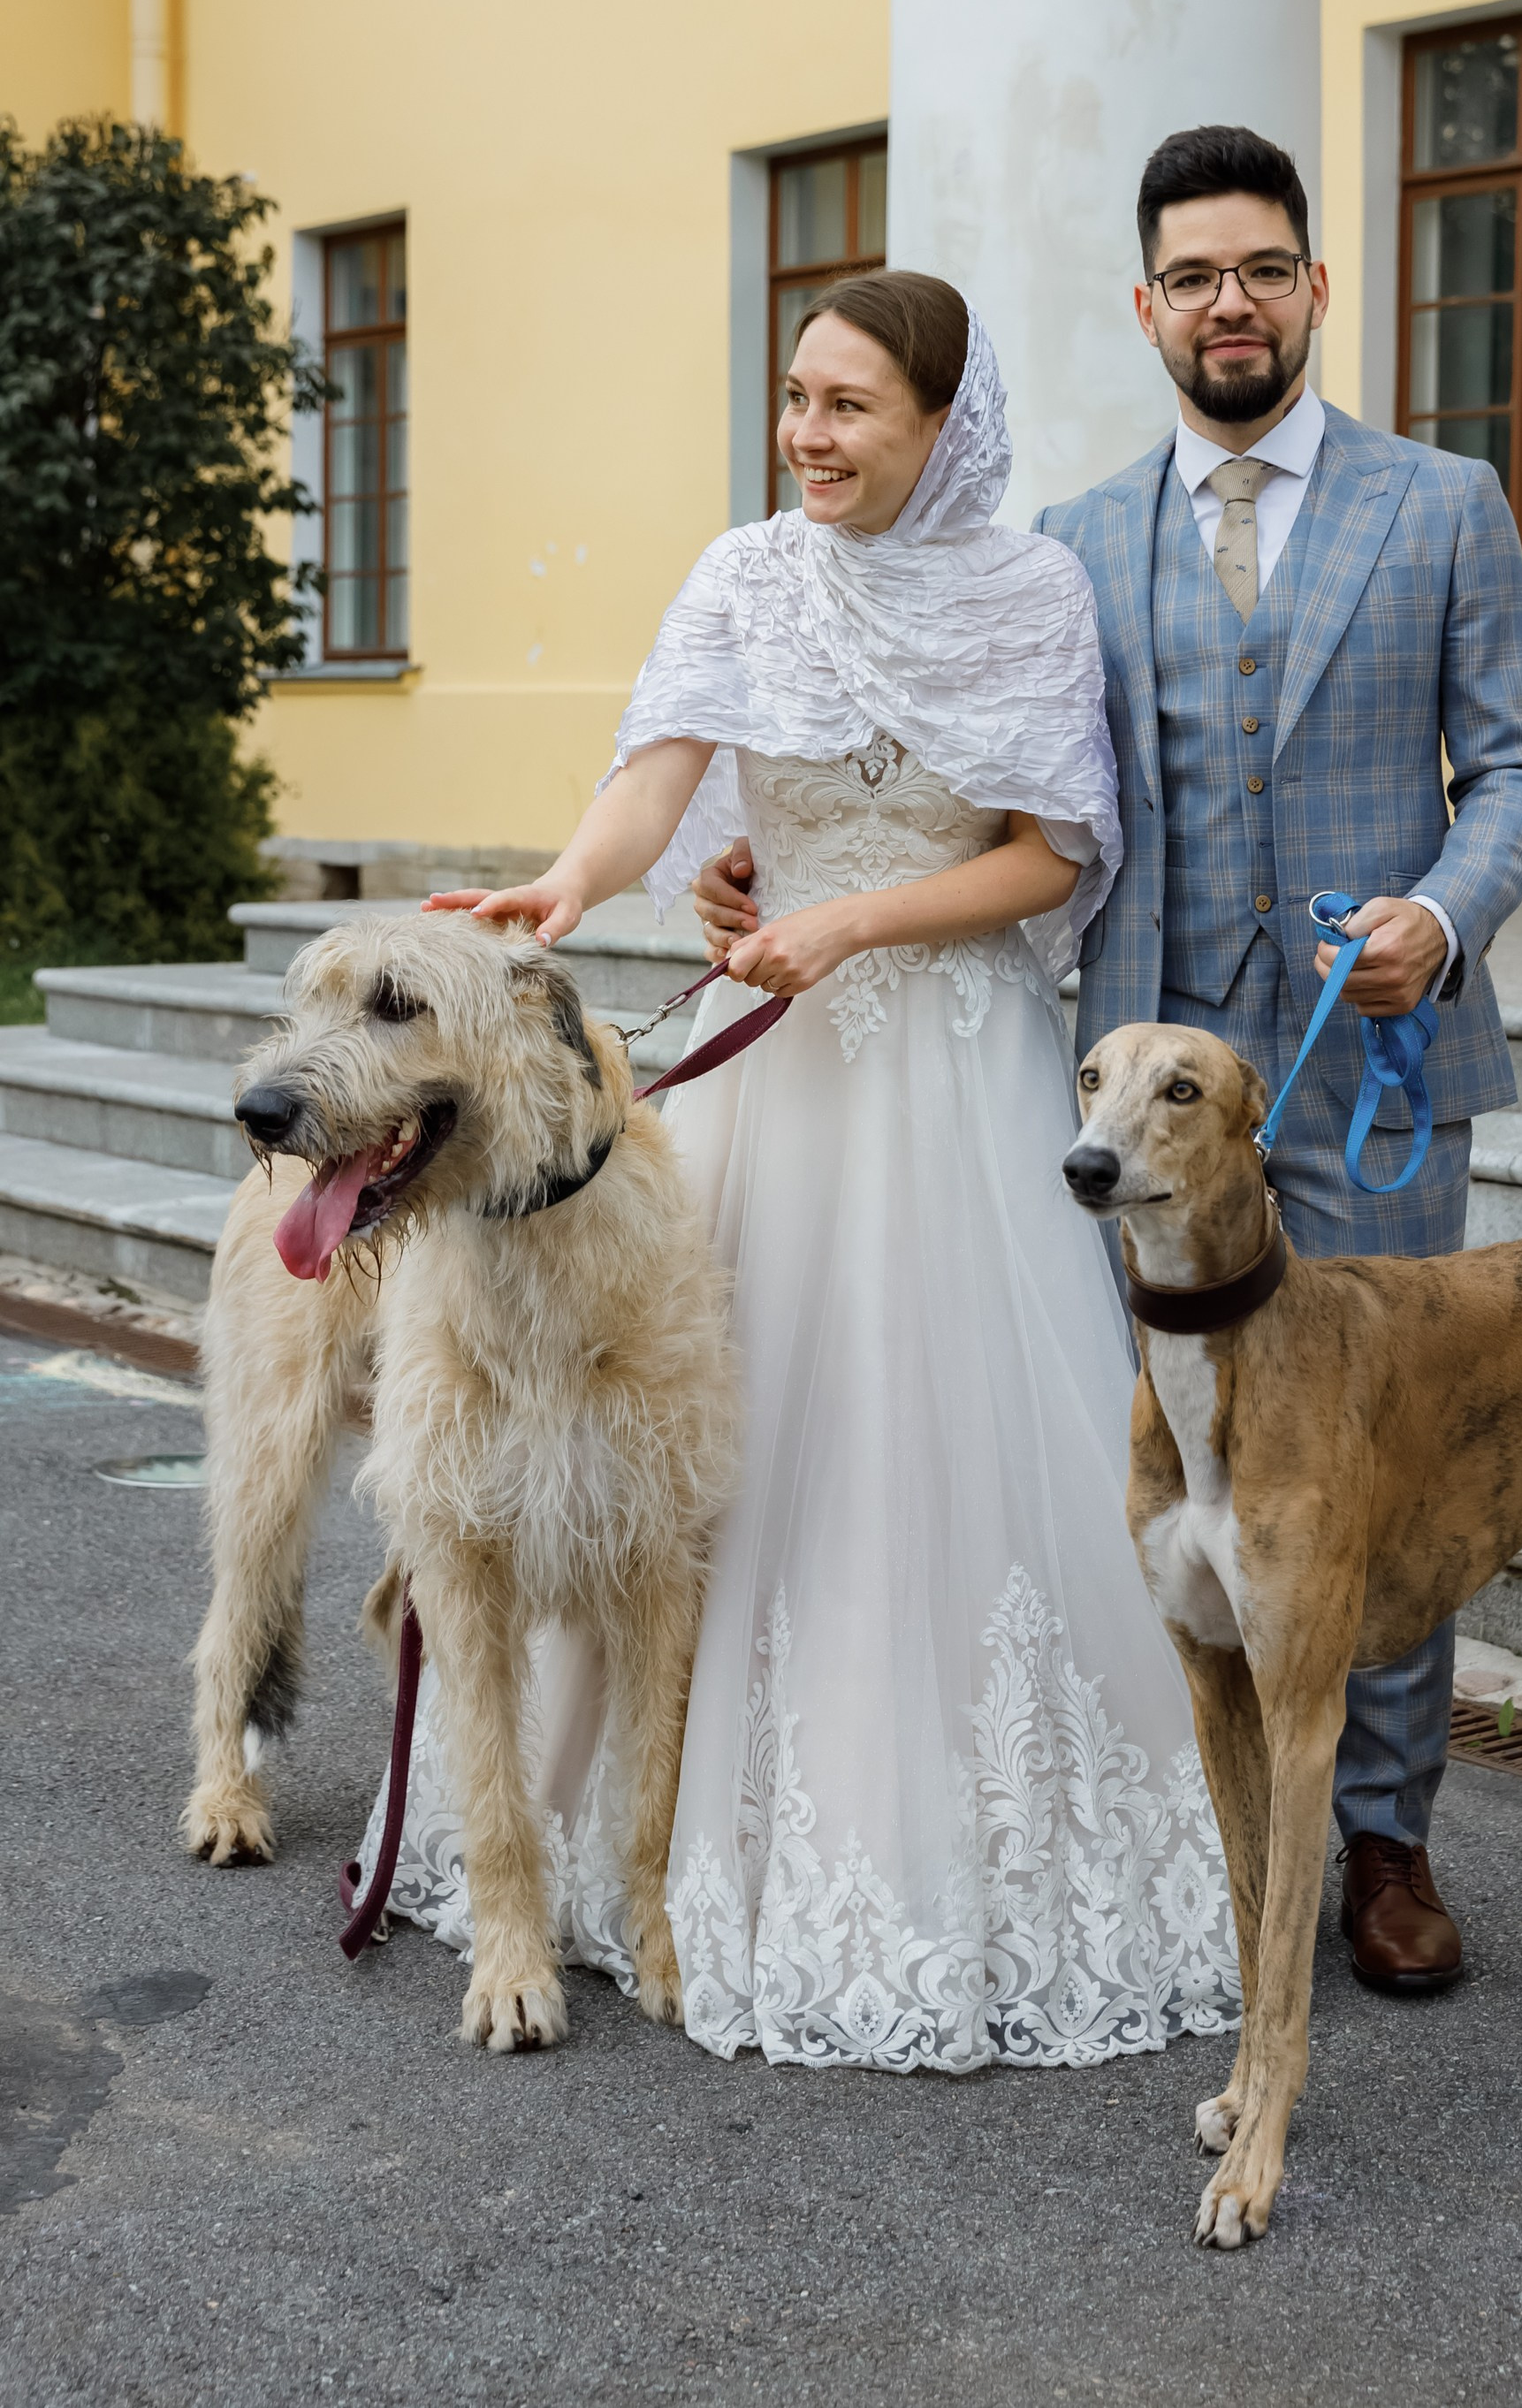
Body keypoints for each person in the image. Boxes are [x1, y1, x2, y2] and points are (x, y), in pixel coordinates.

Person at [719, 130, 1522, 1994]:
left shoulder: (1446, 506)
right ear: (1147, 306)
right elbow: (977, 775)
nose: (1229, 304)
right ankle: (1209, 1832)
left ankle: (1387, 1845)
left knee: (1383, 1448)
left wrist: (1444, 909)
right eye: (1194, 276)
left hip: (1369, 1069)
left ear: (1317, 288)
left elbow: (1514, 768)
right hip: (1146, 1097)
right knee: (1174, 1461)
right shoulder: (1073, 547)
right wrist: (767, 856)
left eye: (1262, 269)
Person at [369, 271, 1240, 2074]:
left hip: (949, 1080)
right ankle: (634, 1855)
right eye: (796, 397)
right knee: (714, 1458)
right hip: (771, 1097)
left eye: (851, 407)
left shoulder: (1030, 589)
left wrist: (851, 917)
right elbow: (660, 772)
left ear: (942, 426)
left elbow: (1047, 858)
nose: (809, 436)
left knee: (923, 1453)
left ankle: (969, 1855)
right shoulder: (746, 573)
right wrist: (570, 882)